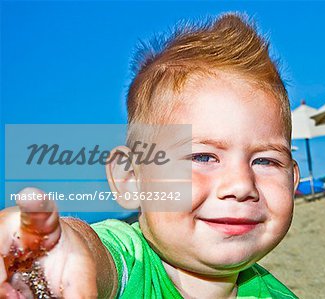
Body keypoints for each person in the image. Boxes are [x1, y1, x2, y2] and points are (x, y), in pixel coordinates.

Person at [0, 13, 300, 298]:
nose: (241, 185)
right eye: (203, 157)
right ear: (131, 179)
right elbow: (96, 256)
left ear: (293, 178)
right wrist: (56, 254)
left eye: (265, 161)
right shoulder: (129, 261)